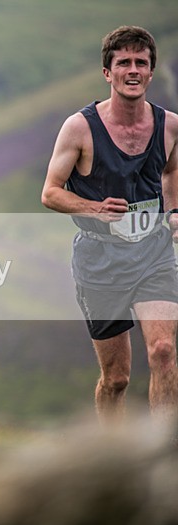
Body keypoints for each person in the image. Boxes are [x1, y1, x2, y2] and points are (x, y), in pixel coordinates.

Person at [42, 26, 178, 426]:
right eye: (124, 63)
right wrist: (95, 208)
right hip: (100, 260)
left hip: (154, 254)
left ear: (151, 72)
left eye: (141, 63)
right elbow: (50, 192)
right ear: (108, 72)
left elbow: (172, 171)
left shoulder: (170, 125)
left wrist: (172, 213)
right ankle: (111, 453)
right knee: (116, 379)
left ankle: (165, 456)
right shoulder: (80, 128)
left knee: (164, 350)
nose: (133, 70)